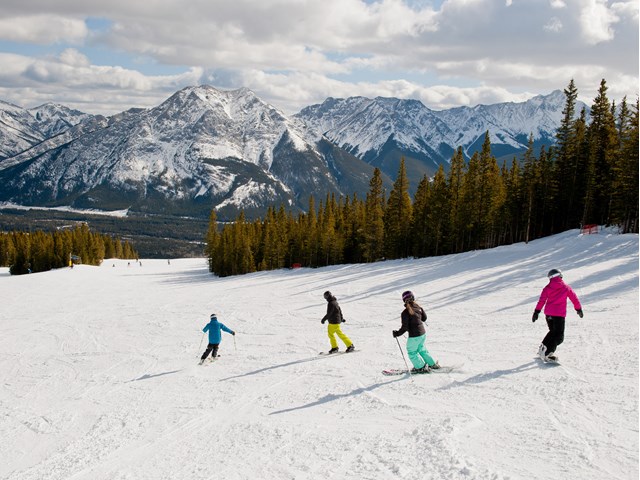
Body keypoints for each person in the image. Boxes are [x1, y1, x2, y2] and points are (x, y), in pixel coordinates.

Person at [532, 269, 583, 362]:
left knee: (552, 332)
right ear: (560, 276)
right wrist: (578, 309)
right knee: (559, 337)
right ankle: (548, 354)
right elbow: (574, 299)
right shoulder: (566, 287)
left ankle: (542, 349)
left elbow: (541, 300)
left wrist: (536, 312)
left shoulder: (547, 288)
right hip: (559, 315)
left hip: (549, 315)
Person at [393, 290, 440, 373]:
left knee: (412, 352)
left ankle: (420, 367)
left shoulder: (405, 312)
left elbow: (405, 327)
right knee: (422, 349)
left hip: (414, 336)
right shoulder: (419, 307)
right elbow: (424, 318)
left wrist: (397, 333)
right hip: (422, 334)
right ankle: (432, 364)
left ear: (404, 300)